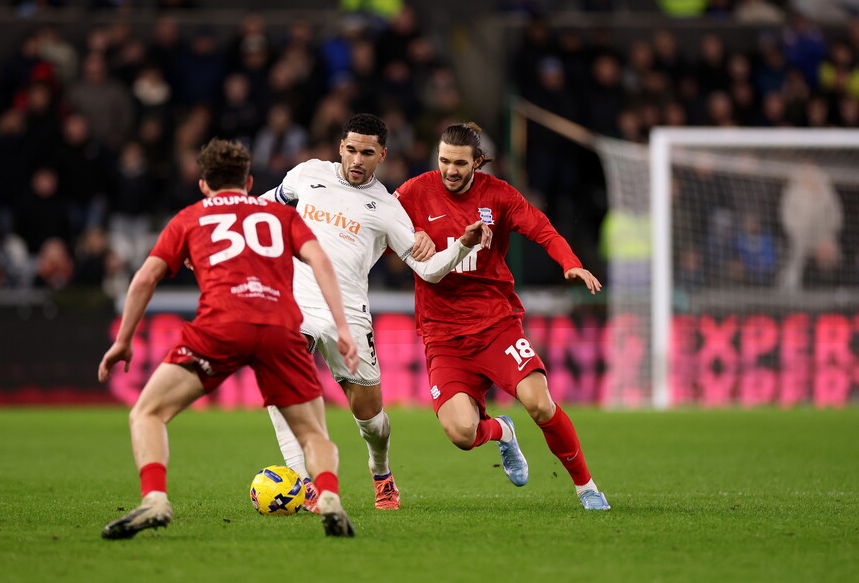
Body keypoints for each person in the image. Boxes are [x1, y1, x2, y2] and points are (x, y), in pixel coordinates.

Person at [98, 138, 359, 539]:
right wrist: (342, 326)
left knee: (147, 413)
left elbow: (146, 277)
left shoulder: (190, 217)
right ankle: (328, 497)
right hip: (279, 328)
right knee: (313, 435)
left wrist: (123, 340)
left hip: (222, 326)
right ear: (249, 182)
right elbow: (320, 260)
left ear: (203, 184)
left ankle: (155, 500)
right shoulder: (279, 214)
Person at [260, 113, 491, 512]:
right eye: (351, 149)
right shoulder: (307, 174)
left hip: (348, 313)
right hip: (298, 302)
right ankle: (302, 481)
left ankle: (381, 472)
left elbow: (429, 270)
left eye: (367, 153)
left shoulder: (388, 208)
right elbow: (263, 205)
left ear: (381, 155)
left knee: (371, 419)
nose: (357, 159)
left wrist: (462, 246)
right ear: (340, 147)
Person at [392, 122, 611, 511]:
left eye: (460, 163)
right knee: (462, 433)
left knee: (540, 404)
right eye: (444, 161)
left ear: (477, 162)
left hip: (496, 326)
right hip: (443, 336)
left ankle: (587, 487)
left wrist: (570, 262)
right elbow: (378, 225)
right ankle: (502, 431)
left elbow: (542, 229)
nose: (450, 170)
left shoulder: (498, 195)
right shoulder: (413, 192)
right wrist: (409, 234)